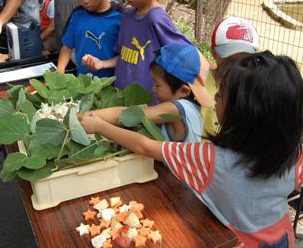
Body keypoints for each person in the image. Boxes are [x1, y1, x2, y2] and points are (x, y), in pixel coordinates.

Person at [81, 51, 303, 247]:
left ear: (244, 114)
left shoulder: (210, 159)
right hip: (282, 237)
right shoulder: (292, 153)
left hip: (236, 241)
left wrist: (100, 126)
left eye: (220, 94)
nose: (213, 99)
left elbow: (144, 146)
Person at [82, 0, 195, 99]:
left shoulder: (156, 18)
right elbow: (125, 56)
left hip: (147, 106)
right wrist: (102, 64)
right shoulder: (128, 16)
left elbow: (187, 54)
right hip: (123, 99)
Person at [80, 43, 214, 142]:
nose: (153, 89)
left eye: (158, 85)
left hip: (173, 179)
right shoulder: (193, 107)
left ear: (184, 91)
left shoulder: (176, 108)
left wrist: (84, 118)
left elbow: (125, 114)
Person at [56, 0, 123, 77]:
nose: (84, 1)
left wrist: (103, 64)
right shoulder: (77, 15)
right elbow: (67, 47)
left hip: (112, 88)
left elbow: (127, 56)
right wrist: (59, 72)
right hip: (83, 86)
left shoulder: (120, 16)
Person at [202, 16, 259, 137]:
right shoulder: (200, 83)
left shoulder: (253, 88)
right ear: (213, 52)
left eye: (244, 58)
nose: (237, 64)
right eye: (230, 58)